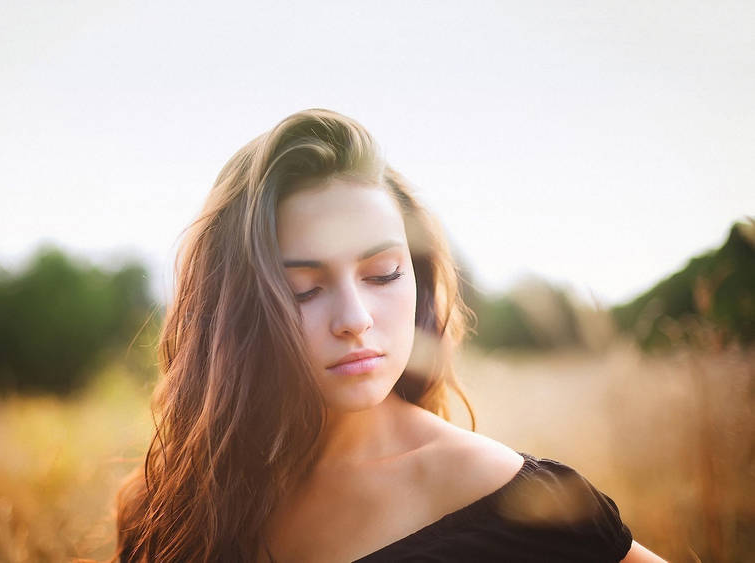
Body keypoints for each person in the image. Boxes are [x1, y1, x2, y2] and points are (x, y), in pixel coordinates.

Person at [113, 109, 665, 562]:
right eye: (303, 289)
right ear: (236, 310)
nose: (354, 318)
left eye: (382, 275)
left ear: (417, 278)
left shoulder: (515, 501)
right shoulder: (176, 502)